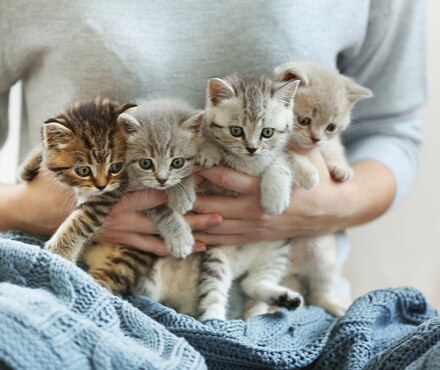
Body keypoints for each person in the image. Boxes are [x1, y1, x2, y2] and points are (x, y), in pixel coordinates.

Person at [0, 0, 426, 286]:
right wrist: (36, 208)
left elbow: (393, 127)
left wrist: (336, 206)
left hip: (287, 306)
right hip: (69, 294)